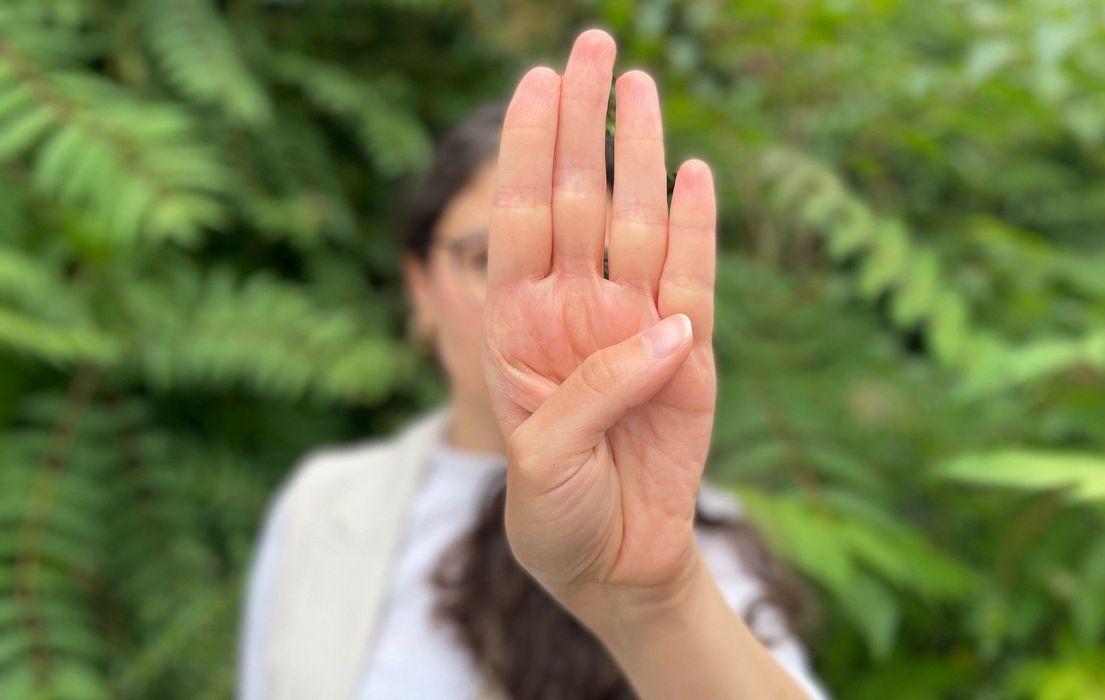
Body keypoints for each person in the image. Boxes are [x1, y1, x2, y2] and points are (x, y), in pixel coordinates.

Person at [238, 29, 829, 700]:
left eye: (589, 269)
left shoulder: (681, 535)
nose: (528, 311)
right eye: (484, 260)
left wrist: (652, 598)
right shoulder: (321, 505)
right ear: (419, 288)